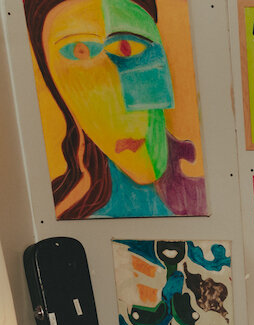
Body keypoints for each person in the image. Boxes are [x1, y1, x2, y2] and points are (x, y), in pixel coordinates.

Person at [25, 0, 207, 219]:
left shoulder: (204, 195)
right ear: (55, 85)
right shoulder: (57, 212)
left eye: (128, 47)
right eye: (79, 51)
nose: (118, 95)